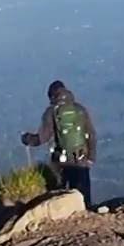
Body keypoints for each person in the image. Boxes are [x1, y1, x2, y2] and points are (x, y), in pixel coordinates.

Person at [21, 80, 96, 208]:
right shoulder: (80, 109)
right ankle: (87, 211)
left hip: (61, 160)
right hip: (82, 159)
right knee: (83, 195)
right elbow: (91, 134)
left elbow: (42, 138)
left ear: (51, 96)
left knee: (61, 192)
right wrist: (91, 158)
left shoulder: (52, 112)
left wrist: (27, 139)